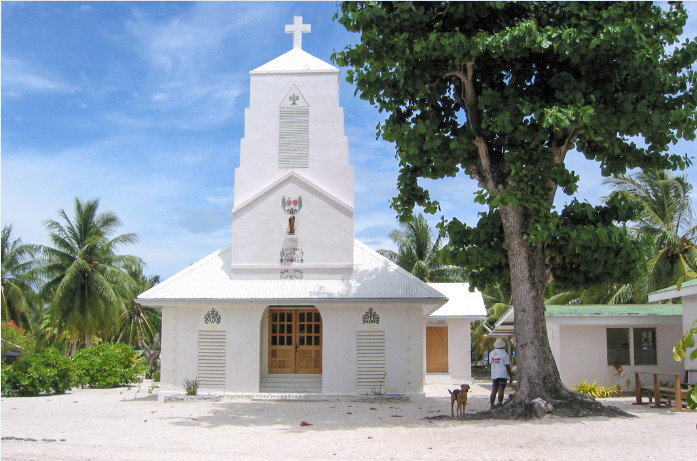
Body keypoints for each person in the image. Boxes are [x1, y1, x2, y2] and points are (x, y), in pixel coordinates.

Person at [489, 337, 512, 409]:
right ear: (502, 346)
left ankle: (492, 405)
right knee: (501, 389)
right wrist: (510, 375)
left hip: (494, 374)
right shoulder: (504, 354)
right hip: (502, 374)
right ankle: (499, 403)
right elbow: (507, 365)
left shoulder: (491, 353)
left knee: (494, 390)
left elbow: (491, 363)